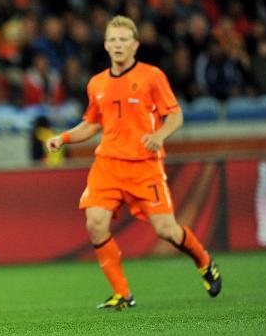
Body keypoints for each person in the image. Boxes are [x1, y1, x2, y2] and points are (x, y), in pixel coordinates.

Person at [46, 16, 222, 310]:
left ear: (135, 45)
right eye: (112, 39)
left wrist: (160, 135)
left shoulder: (152, 76)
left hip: (144, 166)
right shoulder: (97, 83)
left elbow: (175, 115)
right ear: (105, 45)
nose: (117, 44)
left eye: (123, 39)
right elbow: (91, 124)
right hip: (108, 165)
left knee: (166, 230)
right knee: (95, 223)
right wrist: (63, 138)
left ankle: (204, 261)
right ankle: (123, 295)